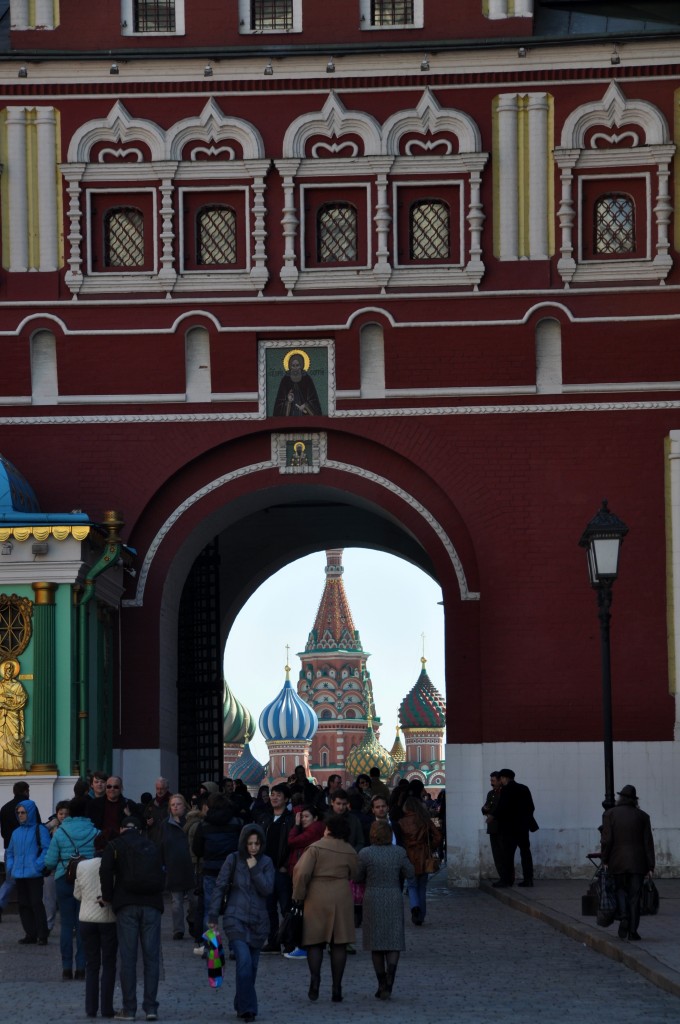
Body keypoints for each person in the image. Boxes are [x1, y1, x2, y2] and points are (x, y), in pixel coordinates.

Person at [99, 815, 165, 1022]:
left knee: (128, 957)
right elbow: (163, 872)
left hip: (126, 904)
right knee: (152, 957)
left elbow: (105, 870)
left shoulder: (115, 845)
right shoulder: (151, 845)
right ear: (139, 829)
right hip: (152, 905)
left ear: (121, 829)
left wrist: (108, 897)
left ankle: (129, 1008)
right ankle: (151, 1007)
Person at [207, 823, 274, 1023]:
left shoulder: (267, 862)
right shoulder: (233, 859)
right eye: (250, 843)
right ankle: (249, 1009)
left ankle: (241, 1002)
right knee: (243, 961)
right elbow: (219, 886)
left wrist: (255, 871)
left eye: (257, 843)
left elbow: (268, 889)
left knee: (251, 966)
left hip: (259, 922)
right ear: (244, 842)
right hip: (235, 918)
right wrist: (212, 916)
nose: (253, 847)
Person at [292, 813, 359, 1003]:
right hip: (341, 895)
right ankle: (337, 986)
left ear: (327, 829)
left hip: (316, 895)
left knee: (314, 942)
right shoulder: (349, 850)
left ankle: (315, 979)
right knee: (339, 943)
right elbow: (356, 872)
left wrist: (298, 896)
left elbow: (301, 872)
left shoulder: (315, 848)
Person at [357, 819, 415, 999]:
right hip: (392, 896)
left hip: (373, 897)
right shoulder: (398, 852)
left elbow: (358, 876)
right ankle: (390, 979)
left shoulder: (365, 853)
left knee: (376, 943)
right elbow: (411, 872)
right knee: (393, 940)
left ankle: (381, 982)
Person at [44, 795, 100, 979]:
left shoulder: (60, 832)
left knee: (67, 925)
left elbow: (50, 861)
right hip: (87, 881)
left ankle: (66, 967)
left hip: (64, 879)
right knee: (83, 924)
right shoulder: (94, 832)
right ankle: (81, 967)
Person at [601, 784, 656, 941]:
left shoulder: (610, 814)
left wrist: (605, 859)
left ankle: (624, 916)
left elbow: (607, 840)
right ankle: (633, 931)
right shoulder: (643, 816)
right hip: (638, 863)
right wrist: (651, 865)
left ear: (620, 798)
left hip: (617, 860)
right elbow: (648, 843)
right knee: (634, 897)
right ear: (634, 800)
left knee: (619, 890)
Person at [74, 834, 117, 1019]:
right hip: (108, 920)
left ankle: (90, 1008)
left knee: (91, 965)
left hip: (86, 919)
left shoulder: (82, 865)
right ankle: (107, 1008)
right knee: (108, 964)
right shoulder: (115, 866)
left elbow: (77, 894)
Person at [192, 792, 242, 932]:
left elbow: (197, 849)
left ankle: (212, 950)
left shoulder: (204, 825)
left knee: (209, 909)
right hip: (232, 870)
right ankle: (234, 948)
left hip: (211, 870)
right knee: (234, 909)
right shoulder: (236, 823)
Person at [254, 783, 295, 953]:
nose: (274, 797)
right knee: (268, 907)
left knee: (286, 907)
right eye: (273, 794)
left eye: (278, 795)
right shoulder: (265, 818)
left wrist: (286, 865)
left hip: (282, 870)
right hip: (266, 870)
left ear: (286, 799)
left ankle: (289, 941)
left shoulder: (290, 819)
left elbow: (293, 845)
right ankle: (273, 940)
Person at [283, 804, 326, 960]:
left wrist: (295, 826)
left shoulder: (313, 830)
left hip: (306, 876)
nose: (302, 820)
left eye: (306, 816)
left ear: (315, 818)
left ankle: (304, 946)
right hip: (303, 874)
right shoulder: (314, 829)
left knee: (303, 912)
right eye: (301, 817)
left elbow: (292, 841)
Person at [5, 798, 50, 944]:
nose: (20, 815)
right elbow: (10, 852)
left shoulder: (40, 829)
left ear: (30, 812)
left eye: (23, 812)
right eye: (18, 813)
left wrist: (37, 865)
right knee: (24, 904)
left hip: (34, 874)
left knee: (36, 903)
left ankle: (42, 935)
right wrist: (11, 866)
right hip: (19, 874)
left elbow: (47, 849)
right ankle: (30, 934)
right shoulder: (16, 832)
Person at [398, 795, 442, 925]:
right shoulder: (425, 819)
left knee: (411, 885)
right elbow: (438, 836)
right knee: (422, 886)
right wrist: (430, 847)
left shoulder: (401, 822)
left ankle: (414, 907)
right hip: (424, 855)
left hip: (409, 855)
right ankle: (421, 915)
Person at [489, 768, 537, 888]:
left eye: (500, 778)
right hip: (523, 828)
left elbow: (502, 807)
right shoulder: (524, 788)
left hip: (510, 828)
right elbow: (531, 807)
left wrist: (493, 816)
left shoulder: (506, 790)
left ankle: (506, 880)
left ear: (504, 778)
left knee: (507, 855)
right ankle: (528, 879)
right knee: (525, 852)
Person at [160, 793, 195, 940]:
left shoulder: (191, 822)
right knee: (176, 902)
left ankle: (194, 925)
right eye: (173, 804)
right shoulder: (165, 824)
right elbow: (161, 845)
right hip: (173, 865)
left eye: (178, 804)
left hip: (190, 865)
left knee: (194, 900)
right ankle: (178, 929)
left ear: (184, 805)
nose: (175, 807)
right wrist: (162, 863)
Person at [0, 779, 34, 921]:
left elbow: (3, 833)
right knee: (30, 881)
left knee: (10, 881)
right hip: (28, 849)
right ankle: (30, 910)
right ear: (26, 791)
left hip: (10, 849)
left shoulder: (5, 808)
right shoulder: (30, 807)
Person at [42, 799, 71, 935]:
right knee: (49, 899)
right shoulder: (52, 826)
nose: (63, 816)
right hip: (52, 867)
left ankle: (69, 926)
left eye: (66, 814)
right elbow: (41, 831)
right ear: (56, 814)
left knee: (65, 898)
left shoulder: (72, 828)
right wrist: (51, 824)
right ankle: (48, 926)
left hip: (67, 867)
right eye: (61, 813)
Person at [87, 776, 138, 842]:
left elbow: (138, 823)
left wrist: (129, 815)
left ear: (121, 789)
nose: (112, 789)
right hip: (101, 843)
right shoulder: (94, 804)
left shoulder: (129, 804)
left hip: (121, 843)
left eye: (115, 787)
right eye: (109, 786)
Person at [273, 350, 322, 416]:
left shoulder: (307, 379)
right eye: (293, 365)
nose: (295, 368)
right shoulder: (285, 380)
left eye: (297, 365)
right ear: (290, 367)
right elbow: (279, 405)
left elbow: (314, 400)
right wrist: (288, 402)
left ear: (301, 366)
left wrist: (305, 406)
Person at [0, 657, 28, 771]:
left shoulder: (18, 686)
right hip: (2, 717)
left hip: (13, 717)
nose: (8, 672)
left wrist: (10, 696)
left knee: (16, 740)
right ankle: (2, 765)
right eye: (6, 669)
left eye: (10, 669)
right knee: (2, 740)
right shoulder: (0, 685)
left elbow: (23, 699)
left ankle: (17, 766)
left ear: (13, 671)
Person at [482, 772, 504, 880]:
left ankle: (506, 877)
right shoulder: (491, 793)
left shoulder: (504, 793)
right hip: (492, 828)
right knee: (496, 854)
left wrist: (493, 815)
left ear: (500, 781)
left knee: (503, 853)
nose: (491, 783)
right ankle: (502, 877)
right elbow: (486, 806)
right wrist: (484, 809)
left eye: (493, 781)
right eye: (491, 781)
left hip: (502, 828)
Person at [144, 777, 170, 845]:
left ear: (167, 788)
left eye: (161, 789)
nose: (159, 791)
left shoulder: (172, 802)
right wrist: (147, 822)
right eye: (157, 789)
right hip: (154, 839)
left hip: (168, 839)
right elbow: (145, 817)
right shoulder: (151, 803)